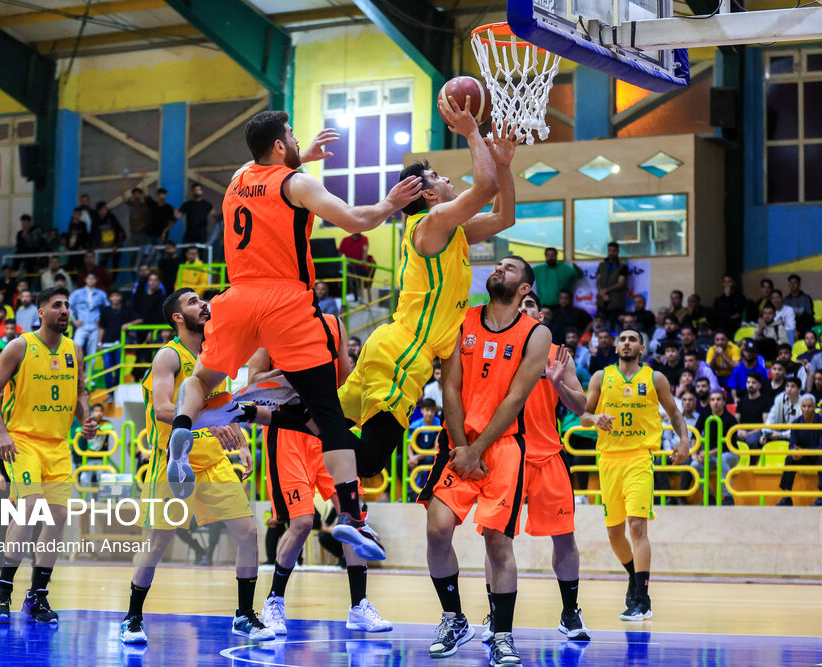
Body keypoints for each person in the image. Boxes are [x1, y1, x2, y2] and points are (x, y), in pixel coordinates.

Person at [170, 111, 424, 562]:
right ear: (279, 146)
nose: (295, 139)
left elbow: (267, 176)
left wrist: (301, 155)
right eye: (291, 135)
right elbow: (356, 220)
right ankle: (350, 515)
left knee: (202, 379)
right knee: (327, 412)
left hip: (237, 297)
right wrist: (391, 202)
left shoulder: (237, 179)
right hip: (285, 301)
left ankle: (183, 429)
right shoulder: (299, 185)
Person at [335, 107, 517, 485]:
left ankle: (268, 414)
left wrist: (503, 164)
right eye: (437, 176)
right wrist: (472, 133)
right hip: (402, 351)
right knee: (368, 461)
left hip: (398, 347)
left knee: (327, 424)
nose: (447, 178)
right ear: (431, 195)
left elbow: (504, 217)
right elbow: (485, 189)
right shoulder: (432, 223)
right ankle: (286, 413)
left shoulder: (452, 231)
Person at [119, 288, 274, 645]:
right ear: (177, 317)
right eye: (193, 302)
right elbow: (162, 409)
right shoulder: (168, 356)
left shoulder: (214, 355)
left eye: (202, 300)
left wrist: (241, 443)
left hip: (213, 461)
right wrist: (207, 422)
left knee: (248, 534)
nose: (203, 305)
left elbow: (221, 405)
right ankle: (132, 618)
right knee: (157, 543)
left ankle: (244, 615)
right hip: (174, 460)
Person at [418, 257, 550, 666]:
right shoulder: (462, 320)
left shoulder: (536, 333)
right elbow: (450, 387)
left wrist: (477, 451)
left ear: (525, 288)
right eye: (498, 264)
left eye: (509, 268)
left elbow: (515, 399)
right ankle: (454, 619)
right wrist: (464, 448)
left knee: (497, 540)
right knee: (437, 528)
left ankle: (502, 635)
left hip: (504, 445)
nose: (499, 268)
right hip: (458, 441)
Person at [252, 312, 392, 636]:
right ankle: (274, 601)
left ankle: (359, 606)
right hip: (288, 432)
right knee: (301, 523)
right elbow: (255, 381)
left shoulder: (333, 323)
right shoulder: (271, 326)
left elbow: (345, 377)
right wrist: (296, 373)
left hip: (327, 429)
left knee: (353, 516)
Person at [477, 290, 590, 643]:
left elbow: (581, 405)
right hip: (504, 453)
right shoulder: (495, 348)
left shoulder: (557, 354)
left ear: (540, 316)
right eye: (518, 305)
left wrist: (558, 384)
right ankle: (496, 615)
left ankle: (570, 613)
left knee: (565, 538)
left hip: (547, 455)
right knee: (495, 538)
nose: (523, 309)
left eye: (530, 305)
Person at [0, 286, 97, 623]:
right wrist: (1, 432)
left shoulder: (74, 350)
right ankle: (3, 588)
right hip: (23, 441)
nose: (64, 310)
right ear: (41, 312)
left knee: (59, 515)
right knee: (31, 507)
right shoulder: (19, 346)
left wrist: (86, 418)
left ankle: (37, 596)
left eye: (67, 305)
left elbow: (80, 391)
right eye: (57, 305)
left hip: (58, 445)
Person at [580, 327, 690, 621]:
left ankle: (641, 599)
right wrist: (595, 418)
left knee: (637, 527)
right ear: (616, 347)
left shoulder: (655, 378)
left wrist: (684, 439)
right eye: (623, 340)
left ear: (641, 348)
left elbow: (674, 412)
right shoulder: (601, 377)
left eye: (633, 339)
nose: (627, 343)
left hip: (640, 458)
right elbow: (583, 417)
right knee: (615, 533)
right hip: (608, 461)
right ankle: (633, 576)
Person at [777, 395, 822, 506]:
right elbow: (792, 445)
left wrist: (804, 451)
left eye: (809, 406)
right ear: (801, 407)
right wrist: (795, 452)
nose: (806, 409)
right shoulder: (796, 423)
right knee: (790, 458)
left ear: (814, 407)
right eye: (804, 406)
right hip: (805, 457)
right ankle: (787, 497)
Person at [692, 391, 738, 504]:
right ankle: (709, 497)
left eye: (718, 399)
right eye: (712, 400)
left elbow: (728, 445)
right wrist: (694, 454)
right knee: (694, 465)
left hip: (731, 454)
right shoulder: (704, 415)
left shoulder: (731, 419)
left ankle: (728, 498)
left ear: (724, 402)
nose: (715, 402)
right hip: (711, 456)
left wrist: (709, 453)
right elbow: (694, 435)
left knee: (722, 459)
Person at [98, 291, 141, 390]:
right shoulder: (105, 310)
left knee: (118, 368)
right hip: (106, 343)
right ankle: (110, 392)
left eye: (117, 295)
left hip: (119, 343)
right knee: (107, 368)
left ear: (120, 297)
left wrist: (129, 324)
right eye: (112, 296)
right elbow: (101, 328)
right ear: (110, 298)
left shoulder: (126, 309)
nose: (115, 298)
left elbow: (140, 319)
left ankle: (116, 389)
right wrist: (99, 342)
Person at [70, 273, 110, 358]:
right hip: (82, 325)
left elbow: (108, 308)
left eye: (93, 278)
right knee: (75, 348)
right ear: (85, 280)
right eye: (89, 278)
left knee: (92, 352)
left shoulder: (101, 294)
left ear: (96, 280)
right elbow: (68, 306)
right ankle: (75, 367)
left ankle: (90, 368)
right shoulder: (77, 293)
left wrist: (102, 320)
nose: (91, 280)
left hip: (95, 326)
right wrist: (74, 320)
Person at [595, 242, 629, 326]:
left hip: (616, 303)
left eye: (613, 251)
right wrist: (602, 293)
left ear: (617, 251)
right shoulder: (602, 265)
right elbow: (598, 281)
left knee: (615, 326)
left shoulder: (622, 267)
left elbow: (620, 283)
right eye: (609, 250)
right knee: (600, 325)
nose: (611, 253)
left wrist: (605, 290)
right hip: (602, 302)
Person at [91, 201, 126, 267]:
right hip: (105, 244)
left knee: (115, 262)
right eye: (102, 209)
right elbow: (93, 234)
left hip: (115, 242)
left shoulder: (111, 218)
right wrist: (94, 246)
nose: (104, 211)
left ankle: (114, 274)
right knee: (103, 262)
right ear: (98, 211)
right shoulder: (95, 220)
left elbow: (117, 230)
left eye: (105, 209)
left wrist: (116, 244)